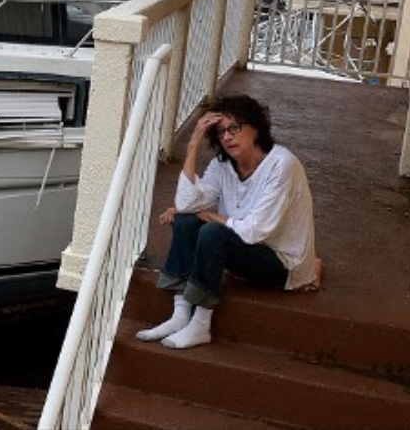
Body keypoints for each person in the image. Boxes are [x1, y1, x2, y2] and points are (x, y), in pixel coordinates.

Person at [136, 93, 319, 349]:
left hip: (281, 265)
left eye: (235, 128)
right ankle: (181, 313)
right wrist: (193, 144)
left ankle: (200, 324)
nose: (227, 137)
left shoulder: (282, 165)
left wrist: (211, 215)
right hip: (244, 252)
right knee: (185, 220)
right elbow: (187, 204)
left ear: (256, 128)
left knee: (213, 232)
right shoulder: (223, 165)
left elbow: (254, 231)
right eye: (221, 132)